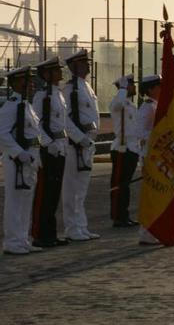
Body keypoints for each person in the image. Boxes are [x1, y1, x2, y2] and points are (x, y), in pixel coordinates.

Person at [1, 67, 50, 255]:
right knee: (15, 201)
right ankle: (12, 241)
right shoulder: (12, 106)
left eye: (30, 81)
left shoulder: (26, 105)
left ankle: (22, 238)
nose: (30, 85)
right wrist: (18, 153)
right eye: (26, 81)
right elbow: (2, 133)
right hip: (17, 160)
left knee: (26, 200)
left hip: (30, 158)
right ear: (14, 83)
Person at [30, 57, 71, 247]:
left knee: (54, 192)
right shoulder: (42, 96)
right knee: (44, 193)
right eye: (56, 70)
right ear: (47, 75)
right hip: (49, 149)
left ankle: (51, 233)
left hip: (60, 147)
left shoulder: (58, 94)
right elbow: (37, 124)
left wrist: (61, 145)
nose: (60, 73)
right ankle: (40, 234)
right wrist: (48, 143)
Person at [61, 49, 100, 242]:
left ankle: (81, 226)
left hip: (88, 143)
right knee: (72, 188)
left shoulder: (86, 86)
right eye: (84, 63)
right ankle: (71, 228)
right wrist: (79, 138)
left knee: (81, 189)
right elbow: (65, 120)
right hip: (76, 144)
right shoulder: (69, 90)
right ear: (74, 66)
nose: (88, 66)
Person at [109, 73, 140, 227]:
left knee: (125, 185)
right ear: (125, 87)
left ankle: (124, 214)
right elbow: (117, 105)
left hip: (131, 148)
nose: (135, 87)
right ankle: (117, 215)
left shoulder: (130, 105)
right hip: (122, 148)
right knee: (119, 185)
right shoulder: (117, 102)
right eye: (131, 84)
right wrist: (121, 89)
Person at [136, 75, 162, 245]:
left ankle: (154, 229)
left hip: (157, 155)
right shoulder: (147, 108)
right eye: (158, 86)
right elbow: (139, 133)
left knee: (157, 195)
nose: (161, 89)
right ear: (151, 89)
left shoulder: (155, 105)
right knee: (151, 196)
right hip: (149, 155)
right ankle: (146, 232)